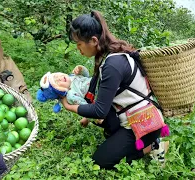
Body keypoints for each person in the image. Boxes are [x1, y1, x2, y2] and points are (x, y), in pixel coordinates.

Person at [61, 10, 169, 169]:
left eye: (79, 44)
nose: (78, 49)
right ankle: (119, 137)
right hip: (132, 116)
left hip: (144, 124)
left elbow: (99, 111)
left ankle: (154, 146)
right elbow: (102, 97)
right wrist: (86, 115)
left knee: (100, 161)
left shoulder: (112, 64)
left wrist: (69, 106)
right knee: (104, 125)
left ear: (93, 40)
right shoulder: (110, 57)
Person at [36, 65, 103, 127]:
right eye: (56, 82)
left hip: (97, 81)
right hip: (99, 91)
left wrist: (81, 69)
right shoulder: (71, 96)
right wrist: (94, 118)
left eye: (56, 76)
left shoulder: (70, 77)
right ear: (59, 91)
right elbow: (86, 108)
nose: (59, 78)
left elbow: (86, 76)